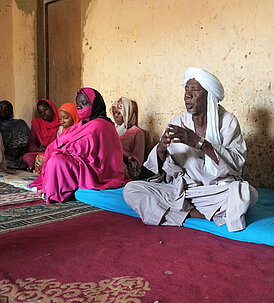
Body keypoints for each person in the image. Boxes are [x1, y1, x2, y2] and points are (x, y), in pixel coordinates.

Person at [123, 67, 258, 232]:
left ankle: (180, 213)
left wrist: (200, 143)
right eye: (186, 89)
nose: (188, 95)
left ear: (209, 96)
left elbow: (236, 163)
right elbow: (162, 172)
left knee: (247, 194)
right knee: (131, 190)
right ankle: (200, 214)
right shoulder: (178, 123)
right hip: (183, 191)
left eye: (195, 90)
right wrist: (161, 149)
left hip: (214, 191)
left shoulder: (228, 122)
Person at [30, 87, 129, 203]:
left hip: (98, 170)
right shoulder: (83, 123)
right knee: (55, 156)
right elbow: (63, 140)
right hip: (84, 163)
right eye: (78, 104)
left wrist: (63, 148)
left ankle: (58, 192)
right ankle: (55, 190)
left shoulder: (101, 125)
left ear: (95, 104)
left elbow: (84, 148)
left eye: (84, 103)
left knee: (57, 160)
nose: (80, 107)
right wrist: (57, 147)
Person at [34, 103, 80, 174]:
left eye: (66, 118)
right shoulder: (61, 130)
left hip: (75, 159)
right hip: (62, 155)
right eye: (60, 119)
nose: (62, 122)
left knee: (55, 160)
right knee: (41, 157)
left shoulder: (81, 130)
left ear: (74, 116)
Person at [111, 96, 145, 179]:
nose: (115, 116)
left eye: (119, 113)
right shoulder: (113, 130)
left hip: (125, 171)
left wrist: (121, 156)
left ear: (127, 113)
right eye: (114, 113)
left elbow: (137, 162)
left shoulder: (137, 132)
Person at [22, 99, 60, 171]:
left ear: (52, 109)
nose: (44, 113)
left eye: (46, 110)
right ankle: (37, 165)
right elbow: (32, 143)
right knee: (27, 157)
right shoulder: (37, 123)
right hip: (42, 153)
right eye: (41, 112)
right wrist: (38, 149)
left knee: (56, 158)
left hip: (54, 153)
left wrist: (49, 148)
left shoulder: (60, 123)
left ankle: (38, 166)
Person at [0, 100, 31, 169]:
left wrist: (18, 151)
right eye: (0, 108)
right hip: (2, 155)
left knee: (27, 158)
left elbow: (26, 141)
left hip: (18, 154)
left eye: (7, 108)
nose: (3, 110)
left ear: (11, 111)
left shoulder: (20, 123)